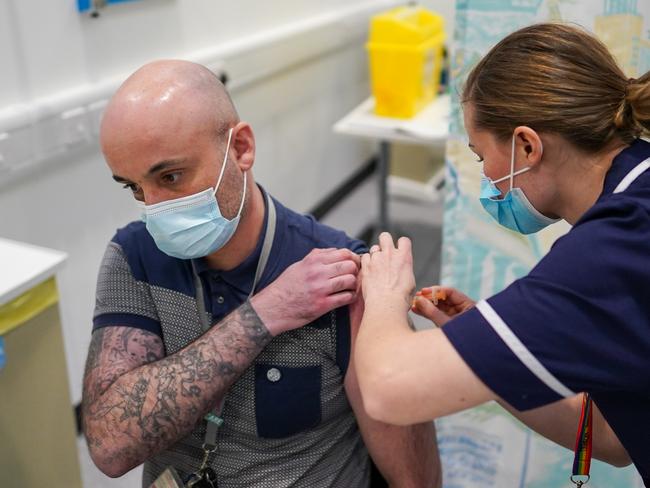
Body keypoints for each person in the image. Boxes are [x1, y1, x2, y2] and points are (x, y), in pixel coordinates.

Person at [81, 60, 440, 487]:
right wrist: (264, 314)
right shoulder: (135, 257)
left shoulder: (339, 276)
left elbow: (415, 478)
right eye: (135, 187)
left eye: (171, 176)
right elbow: (109, 444)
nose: (154, 206)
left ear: (241, 148)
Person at [354, 23, 650, 486]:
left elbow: (387, 390)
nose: (488, 179)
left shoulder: (610, 251)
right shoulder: (637, 192)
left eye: (480, 157)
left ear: (527, 145)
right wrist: (484, 349)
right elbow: (611, 440)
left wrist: (385, 294)